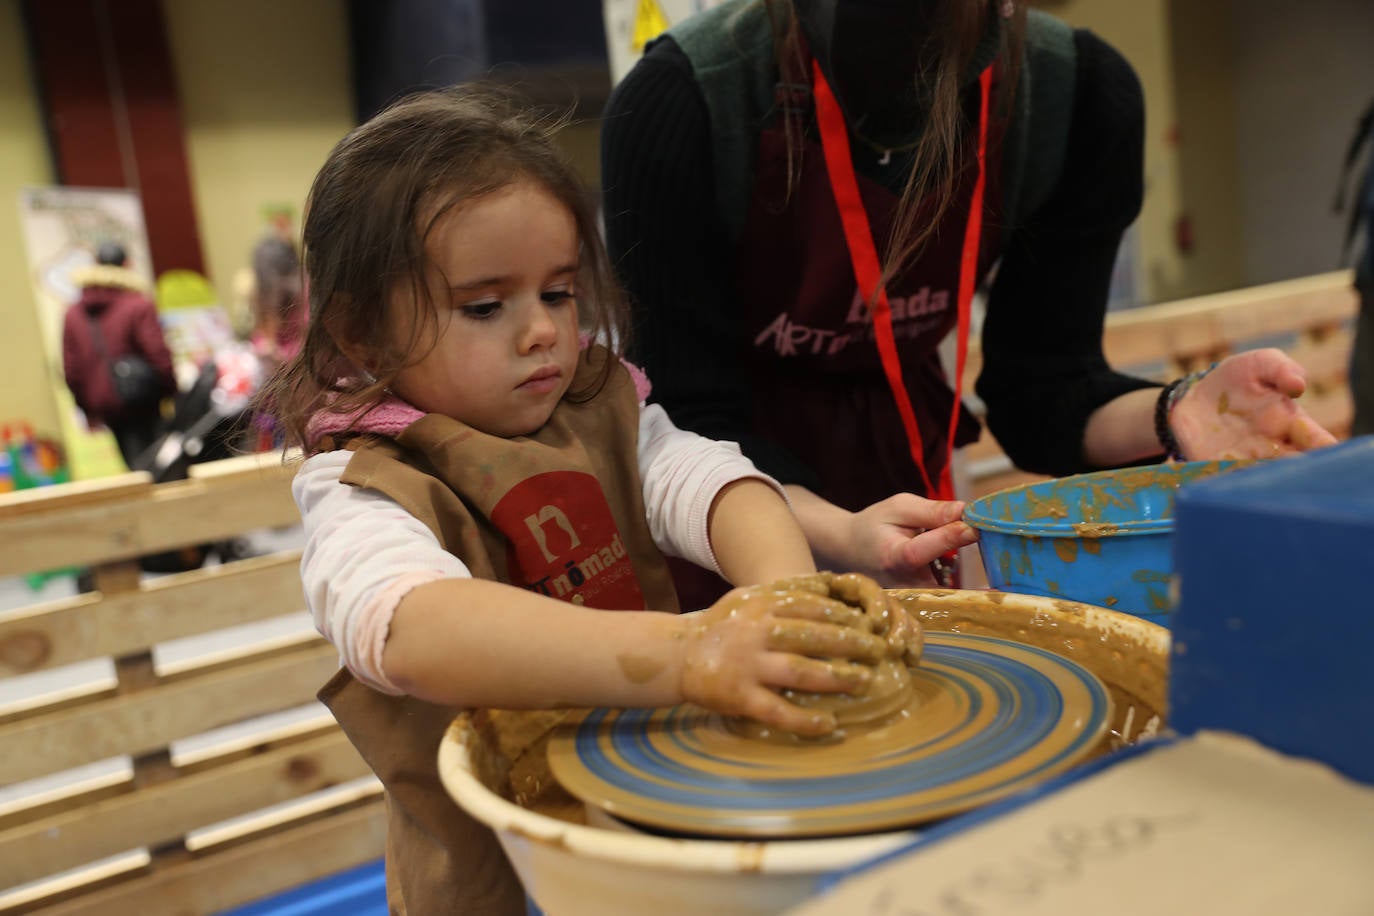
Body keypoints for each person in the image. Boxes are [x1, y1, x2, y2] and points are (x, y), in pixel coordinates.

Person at [259, 85, 917, 914]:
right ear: (364, 335)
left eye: (559, 293)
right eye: (487, 306)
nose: (540, 330)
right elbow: (409, 627)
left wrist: (788, 606)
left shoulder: (597, 407)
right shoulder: (361, 486)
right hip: (497, 869)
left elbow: (713, 483)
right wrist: (685, 654)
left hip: (646, 821)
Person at [601, 0, 1337, 601]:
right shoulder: (685, 106)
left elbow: (1043, 394)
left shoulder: (1074, 100)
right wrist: (843, 538)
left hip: (910, 492)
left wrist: (1172, 409)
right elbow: (687, 429)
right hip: (730, 514)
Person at [61, 241, 178, 468]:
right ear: (127, 265)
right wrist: (172, 391)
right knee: (158, 466)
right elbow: (158, 354)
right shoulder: (137, 304)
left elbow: (71, 368)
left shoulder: (73, 313)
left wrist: (86, 408)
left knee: (133, 464)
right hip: (143, 398)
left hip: (103, 403)